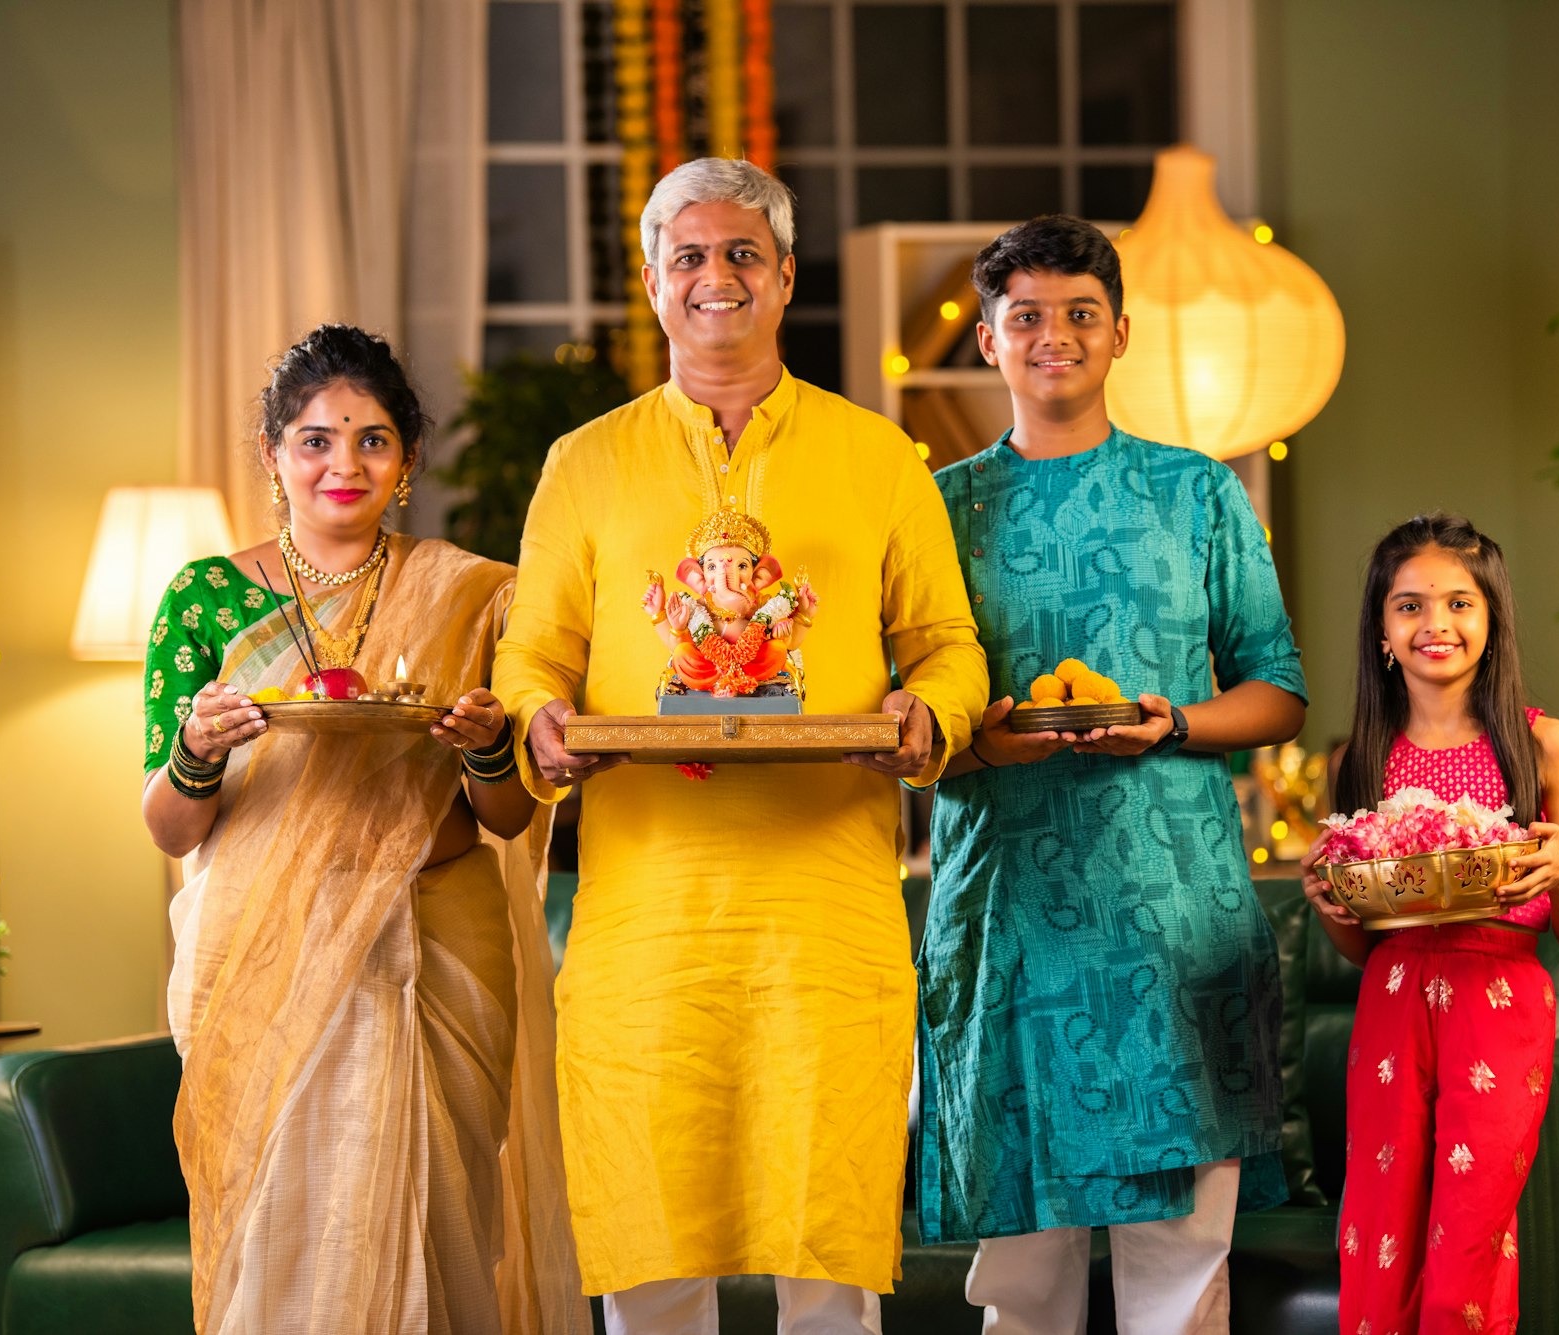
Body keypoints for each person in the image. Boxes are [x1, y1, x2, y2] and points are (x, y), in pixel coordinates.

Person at [493, 158, 988, 1333]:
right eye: (689, 258)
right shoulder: (587, 462)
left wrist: (927, 717)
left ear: (784, 278)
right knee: (652, 1261)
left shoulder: (876, 455)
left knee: (826, 1263)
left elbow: (948, 648)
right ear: (654, 285)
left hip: (822, 921)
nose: (714, 278)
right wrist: (539, 725)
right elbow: (531, 660)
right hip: (646, 926)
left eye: (740, 256)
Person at [140, 324, 586, 1335]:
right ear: (270, 454)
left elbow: (509, 812)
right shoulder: (204, 600)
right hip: (264, 951)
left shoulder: (475, 595)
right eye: (314, 440)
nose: (344, 464)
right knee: (285, 1229)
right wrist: (198, 748)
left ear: (408, 458)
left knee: (445, 1219)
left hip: (439, 939)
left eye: (372, 440)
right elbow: (170, 830)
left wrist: (481, 746)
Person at [915, 214, 1308, 1334]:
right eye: (1025, 316)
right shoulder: (936, 509)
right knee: (1024, 1276)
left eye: (1079, 314)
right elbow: (902, 719)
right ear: (986, 341)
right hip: (1012, 919)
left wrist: (1168, 720)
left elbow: (1275, 689)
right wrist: (980, 738)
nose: (1054, 336)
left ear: (1120, 333)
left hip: (1173, 913)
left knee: (1180, 1266)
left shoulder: (1197, 494)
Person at [1300, 511, 1559, 1335]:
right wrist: (1330, 905)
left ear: (1493, 621)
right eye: (1410, 606)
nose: (1437, 624)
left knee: (1468, 1242)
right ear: (1381, 631)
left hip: (1500, 1001)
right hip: (1392, 1002)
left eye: (1461, 604)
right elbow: (1363, 946)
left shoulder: (1547, 747)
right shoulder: (1357, 754)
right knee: (1377, 1241)